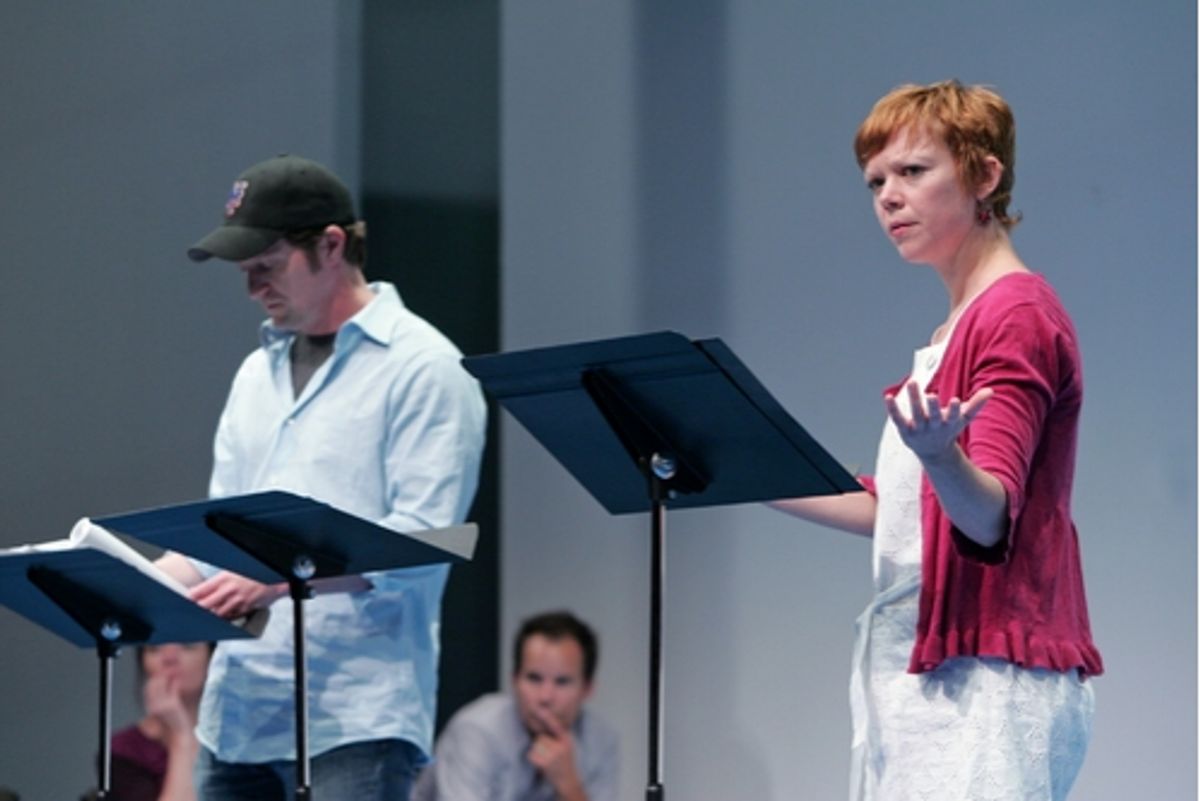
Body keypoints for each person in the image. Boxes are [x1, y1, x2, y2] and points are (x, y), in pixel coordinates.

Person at [771, 80, 1103, 800]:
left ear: (984, 175)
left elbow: (987, 514)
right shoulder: (959, 327)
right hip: (942, 676)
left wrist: (939, 455)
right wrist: (744, 471)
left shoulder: (1013, 313)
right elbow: (900, 509)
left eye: (913, 171)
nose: (888, 195)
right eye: (876, 181)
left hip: (987, 681)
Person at [156, 154, 487, 799]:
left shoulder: (424, 368)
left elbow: (423, 544)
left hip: (355, 720)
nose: (253, 287)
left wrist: (278, 580)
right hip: (242, 712)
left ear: (331, 246)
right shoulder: (256, 374)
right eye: (245, 272)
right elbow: (220, 534)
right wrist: (113, 582)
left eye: (267, 265)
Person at [411, 611, 619, 801]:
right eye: (534, 678)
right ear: (514, 680)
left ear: (587, 688)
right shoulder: (477, 730)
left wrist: (569, 787)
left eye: (562, 682)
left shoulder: (600, 739)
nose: (545, 697)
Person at [84, 643, 212, 801]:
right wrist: (182, 737)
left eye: (187, 645)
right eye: (154, 647)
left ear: (212, 657)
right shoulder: (125, 750)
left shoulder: (236, 741)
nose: (169, 657)